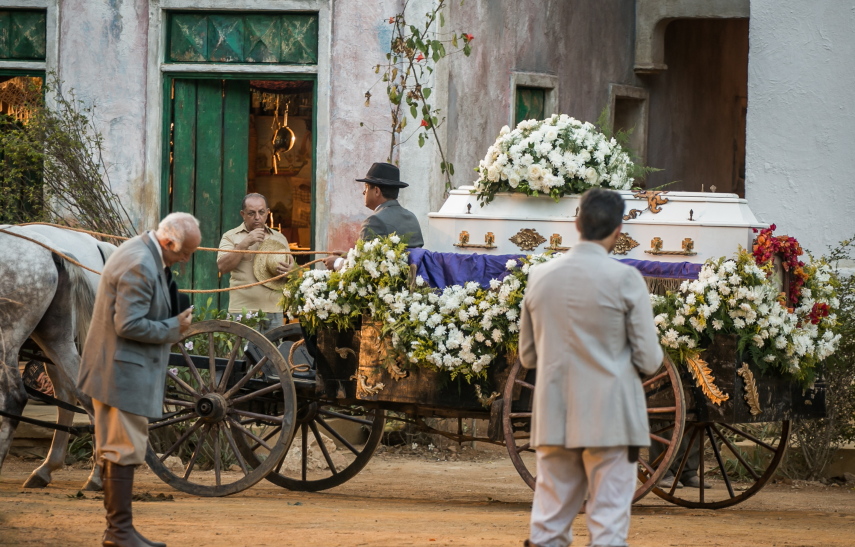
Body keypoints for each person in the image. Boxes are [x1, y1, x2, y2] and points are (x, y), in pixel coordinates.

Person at [519, 188, 663, 547]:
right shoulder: (626, 279)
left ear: (576, 222)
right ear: (618, 232)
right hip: (611, 418)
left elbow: (528, 358)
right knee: (608, 528)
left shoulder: (539, 276)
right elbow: (649, 359)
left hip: (554, 415)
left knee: (548, 526)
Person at [77, 212, 201, 547]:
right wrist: (174, 329)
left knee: (115, 448)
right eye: (185, 252)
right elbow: (128, 325)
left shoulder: (142, 251)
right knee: (123, 449)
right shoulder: (141, 264)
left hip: (115, 368)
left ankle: (117, 530)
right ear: (168, 241)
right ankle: (119, 532)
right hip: (122, 371)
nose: (186, 259)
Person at [323, 162, 424, 270]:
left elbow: (365, 269)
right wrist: (352, 256)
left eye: (366, 188)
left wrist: (337, 263)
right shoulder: (411, 217)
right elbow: (387, 259)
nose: (363, 192)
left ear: (376, 191)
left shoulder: (374, 221)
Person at [217, 193, 295, 330]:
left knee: (273, 351)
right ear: (243, 214)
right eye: (251, 213)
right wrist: (245, 243)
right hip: (242, 310)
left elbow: (292, 273)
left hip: (274, 310)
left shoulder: (280, 238)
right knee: (243, 352)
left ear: (267, 213)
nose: (257, 217)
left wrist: (291, 272)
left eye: (261, 212)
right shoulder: (230, 236)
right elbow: (222, 267)